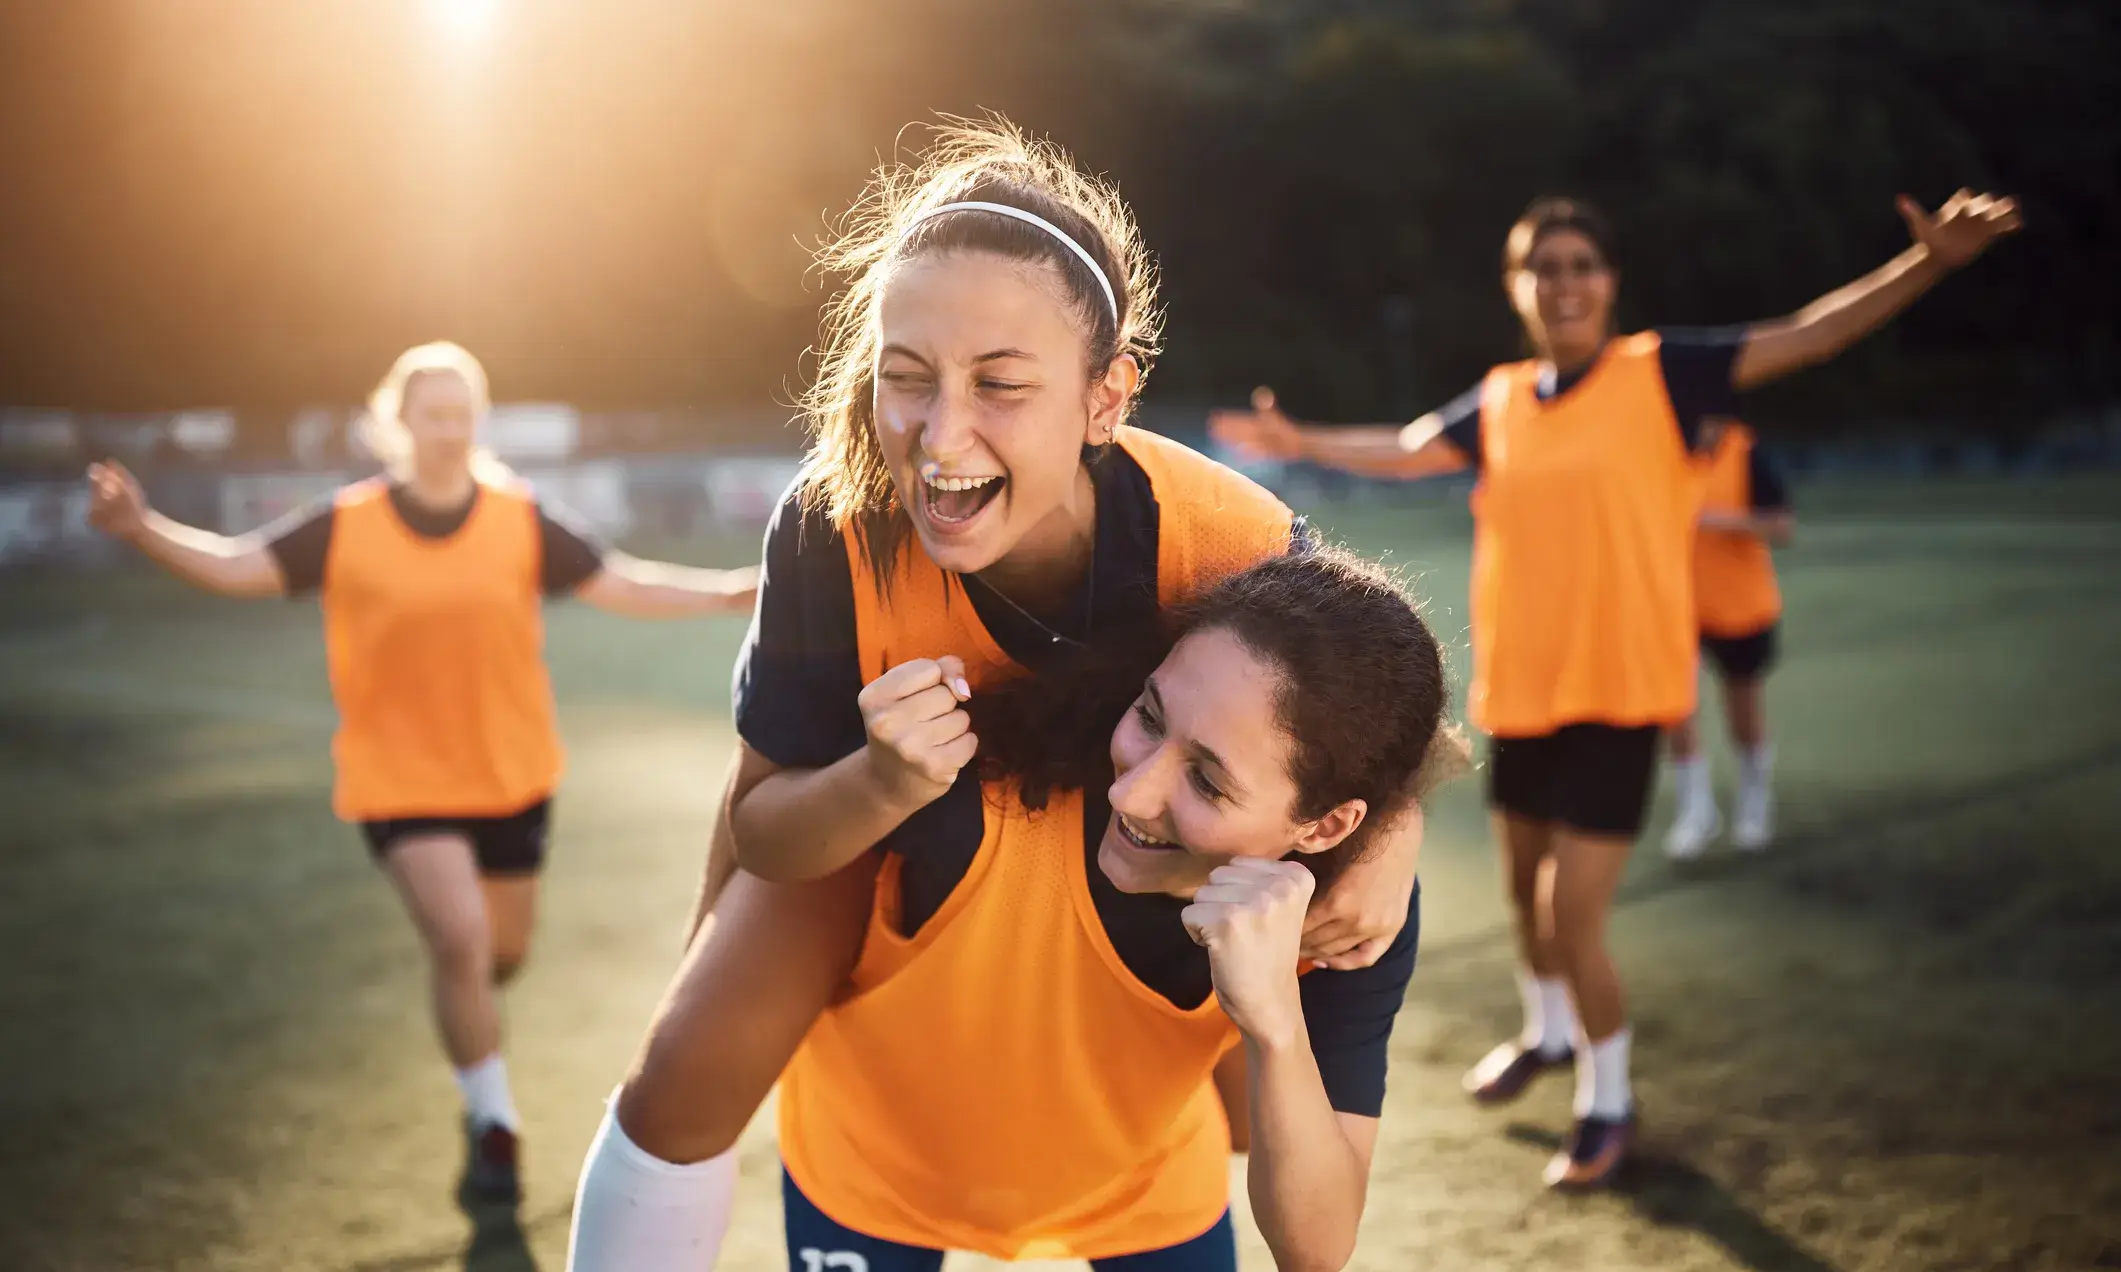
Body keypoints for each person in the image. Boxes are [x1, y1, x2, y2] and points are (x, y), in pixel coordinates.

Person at [564, 119, 1423, 1270]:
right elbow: (764, 825)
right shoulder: (839, 526)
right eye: (904, 379)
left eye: (1002, 385)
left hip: (1140, 927)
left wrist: (1395, 830)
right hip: (901, 875)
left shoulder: (1231, 542)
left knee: (1264, 1023)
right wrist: (876, 781)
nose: (938, 437)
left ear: (1107, 398)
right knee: (684, 1076)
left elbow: (1355, 703)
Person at [1211, 188, 2019, 1188]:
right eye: (1542, 267)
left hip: (1621, 697)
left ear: (1610, 280)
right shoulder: (1504, 399)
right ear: (1518, 287)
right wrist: (1305, 445)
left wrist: (1931, 263)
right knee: (1519, 895)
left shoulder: (1661, 374)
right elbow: (1414, 447)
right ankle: (1546, 1033)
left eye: (1581, 264)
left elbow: (1810, 336)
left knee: (1567, 917)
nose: (1564, 283)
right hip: (1524, 695)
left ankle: (1609, 1100)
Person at [84, 341, 758, 1205]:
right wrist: (140, 525)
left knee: (499, 955)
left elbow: (619, 582)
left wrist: (730, 590)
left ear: (478, 421)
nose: (447, 429)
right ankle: (494, 1127)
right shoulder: (347, 523)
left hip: (510, 776)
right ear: (397, 423)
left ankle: (467, 1022)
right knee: (462, 941)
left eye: (462, 413)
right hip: (397, 780)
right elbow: (236, 566)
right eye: (431, 413)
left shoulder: (519, 518)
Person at [769, 547, 1459, 1272]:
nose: (1129, 794)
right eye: (1149, 717)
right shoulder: (981, 784)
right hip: (868, 1167)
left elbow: (1316, 1248)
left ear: (1322, 828)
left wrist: (1275, 1022)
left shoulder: (1345, 918)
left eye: (1207, 781)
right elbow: (772, 841)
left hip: (1141, 1193)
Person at [1664, 421, 1794, 860]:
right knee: (1676, 709)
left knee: (1743, 710)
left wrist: (1718, 521)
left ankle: (1754, 802)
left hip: (1740, 607)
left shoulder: (1746, 452)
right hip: (1677, 605)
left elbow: (1782, 526)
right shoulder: (1663, 448)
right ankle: (1696, 809)